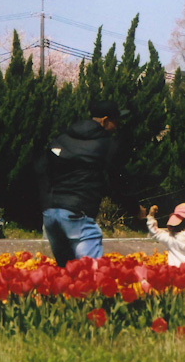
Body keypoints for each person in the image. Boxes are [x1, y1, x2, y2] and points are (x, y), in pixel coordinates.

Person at [37, 98, 123, 267]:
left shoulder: (62, 138)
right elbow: (117, 183)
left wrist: (47, 203)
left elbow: (41, 170)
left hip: (51, 214)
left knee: (67, 274)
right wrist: (135, 209)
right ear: (105, 121)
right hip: (78, 215)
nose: (117, 126)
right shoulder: (106, 145)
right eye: (116, 121)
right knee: (92, 278)